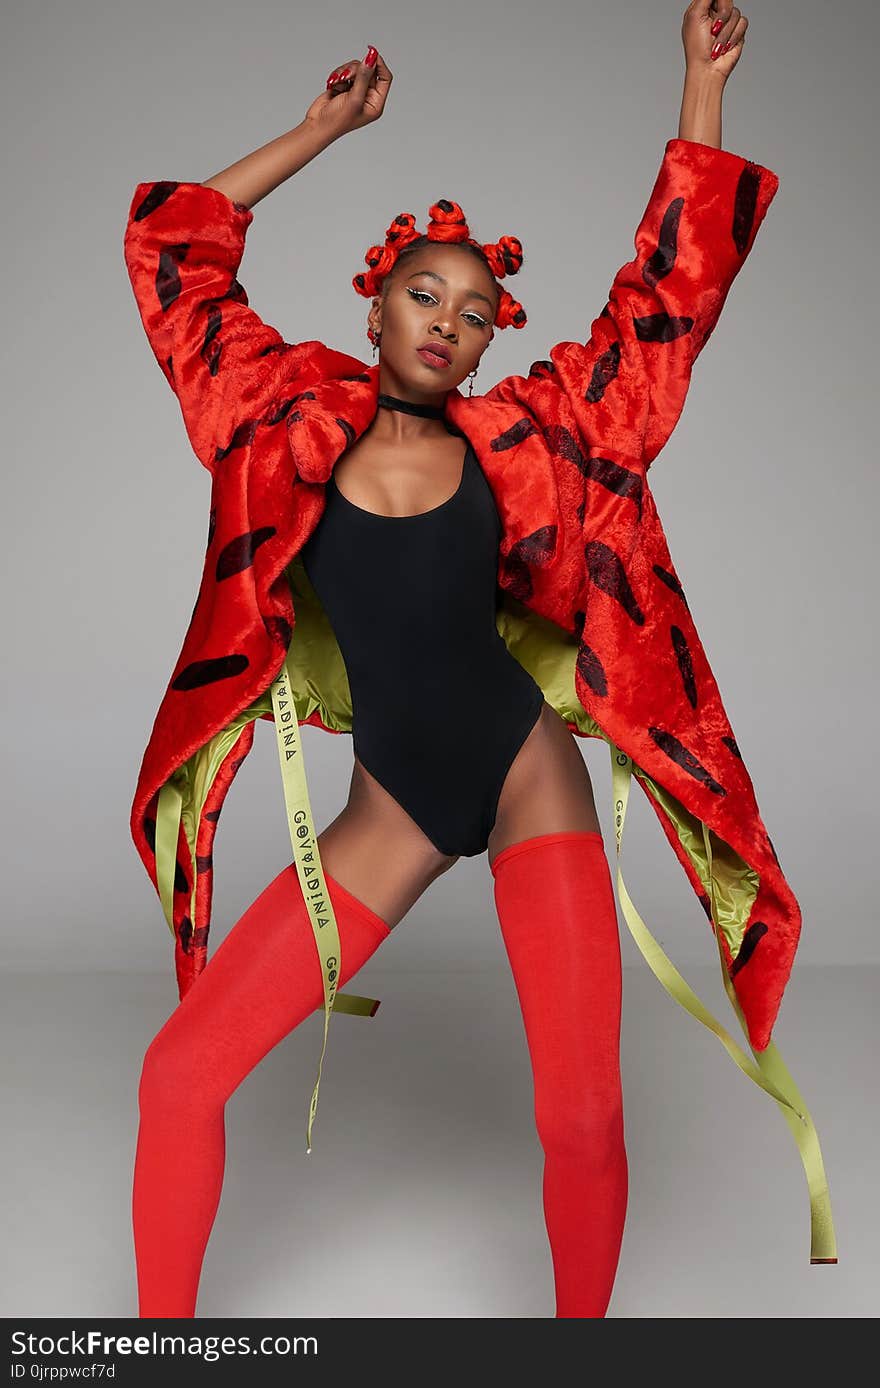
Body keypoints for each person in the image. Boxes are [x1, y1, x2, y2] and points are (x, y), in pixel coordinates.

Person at [124, 7, 837, 1322]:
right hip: (390, 811)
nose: (447, 322)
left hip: (525, 778)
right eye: (422, 294)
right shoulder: (278, 414)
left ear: (492, 336)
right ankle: (160, 1348)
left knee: (578, 1114)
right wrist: (322, 129)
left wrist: (700, 86)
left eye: (474, 309)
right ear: (376, 300)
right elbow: (172, 247)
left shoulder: (529, 441)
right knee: (180, 1075)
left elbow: (663, 307)